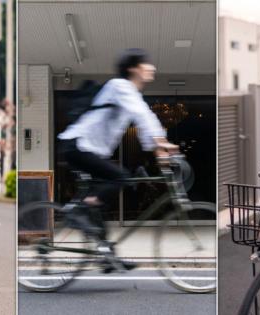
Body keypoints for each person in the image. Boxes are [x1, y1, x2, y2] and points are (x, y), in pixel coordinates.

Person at [57, 48, 178, 269]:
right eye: (146, 63)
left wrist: (158, 149)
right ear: (133, 68)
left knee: (99, 208)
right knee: (120, 177)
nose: (152, 68)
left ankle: (106, 256)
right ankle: (79, 211)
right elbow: (142, 114)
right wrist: (161, 142)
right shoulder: (120, 86)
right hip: (77, 145)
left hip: (85, 148)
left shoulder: (128, 92)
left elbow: (142, 119)